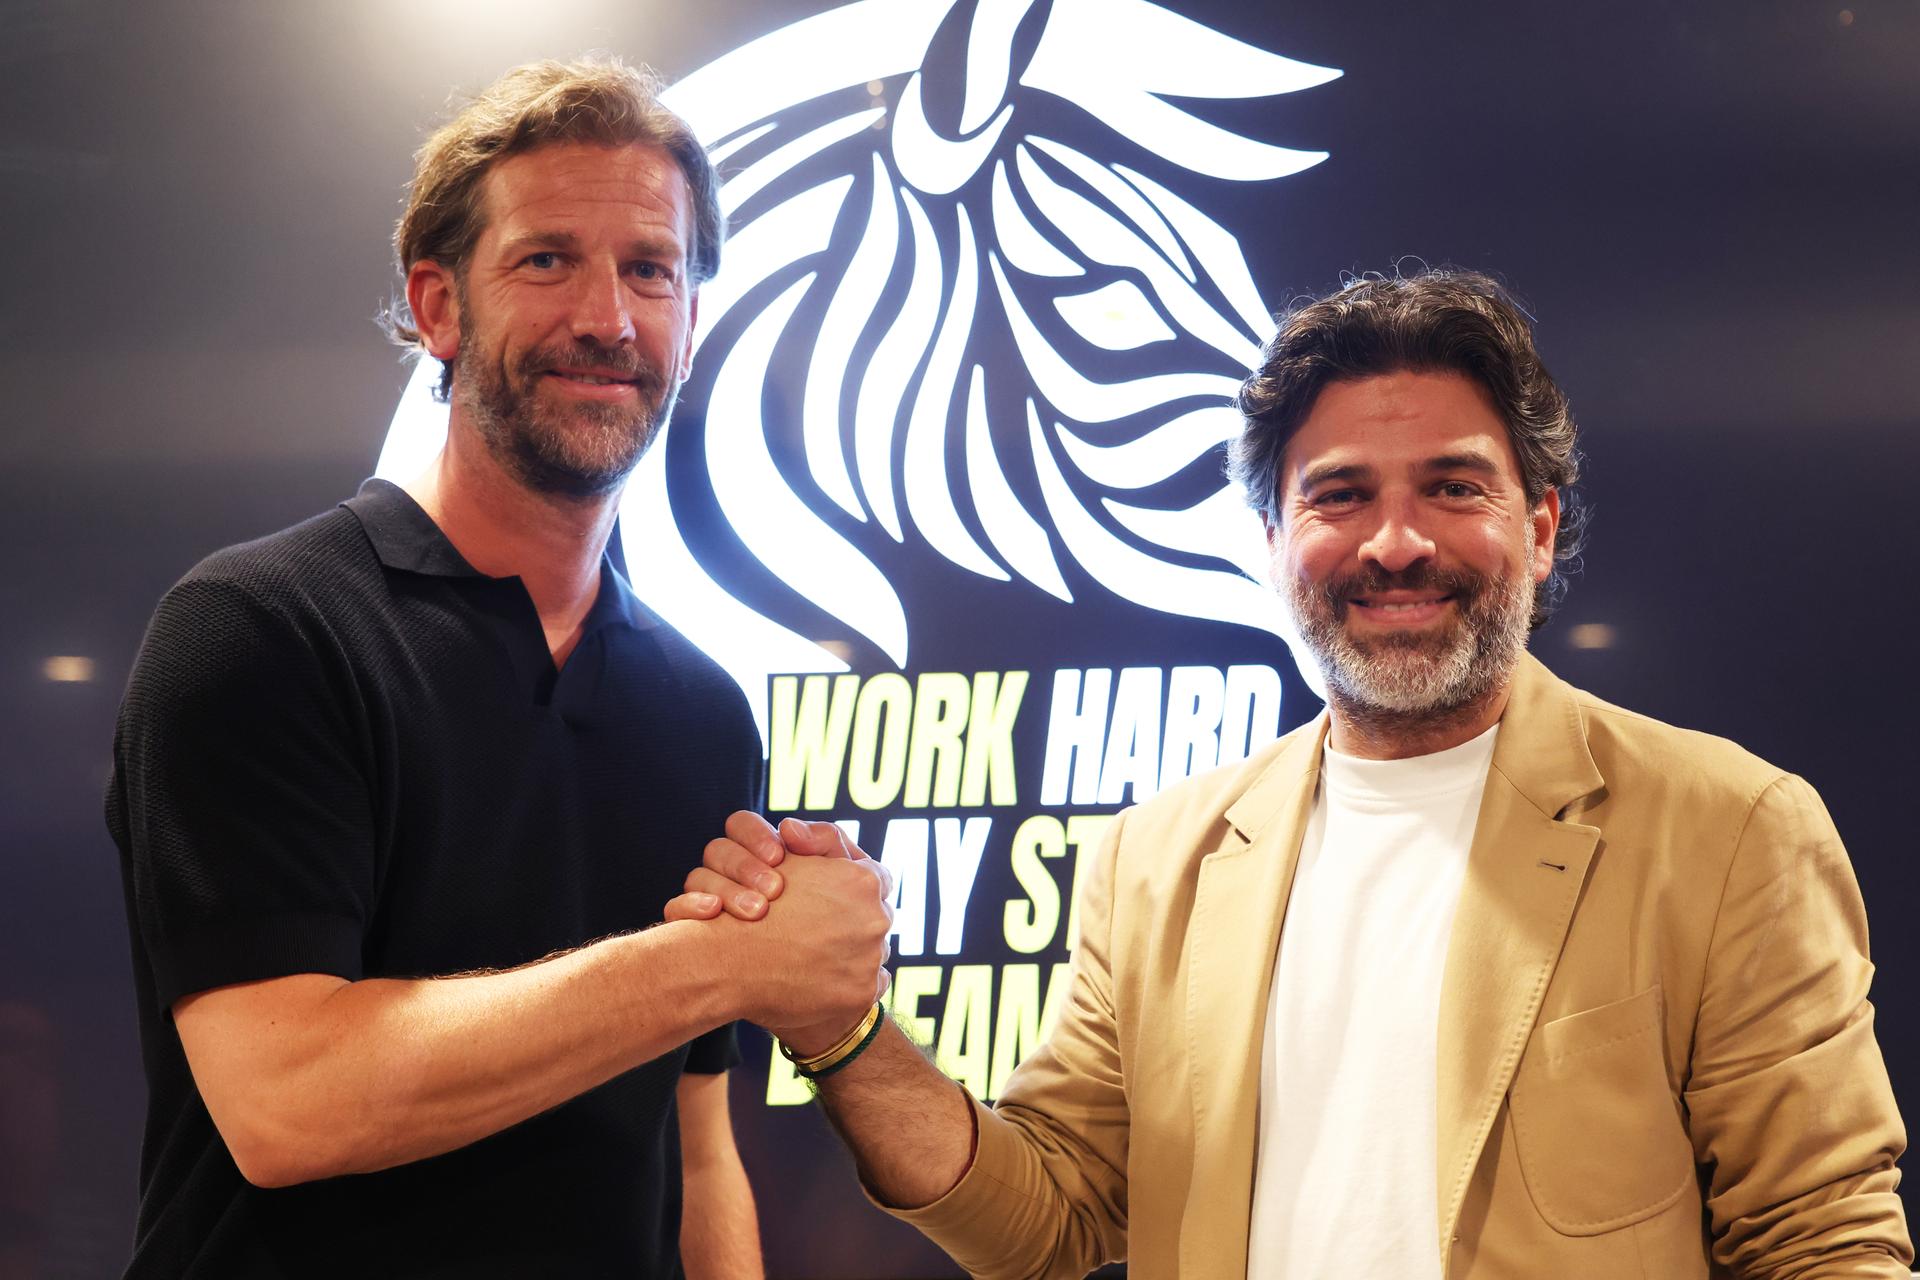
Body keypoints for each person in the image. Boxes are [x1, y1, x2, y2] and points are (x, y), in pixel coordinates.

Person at [675, 269, 1913, 1277]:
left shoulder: (1731, 827)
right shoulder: (1157, 856)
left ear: (1538, 526)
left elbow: (1824, 1243)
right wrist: (840, 1026)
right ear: (1270, 540)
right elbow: (1044, 1217)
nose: (1394, 541)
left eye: (1453, 486)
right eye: (1339, 495)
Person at [105, 58, 891, 1279]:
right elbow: (289, 1101)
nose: (607, 319)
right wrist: (718, 961)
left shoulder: (700, 711)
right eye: (546, 260)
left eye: (651, 270)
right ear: (438, 305)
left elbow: (694, 1150)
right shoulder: (258, 630)